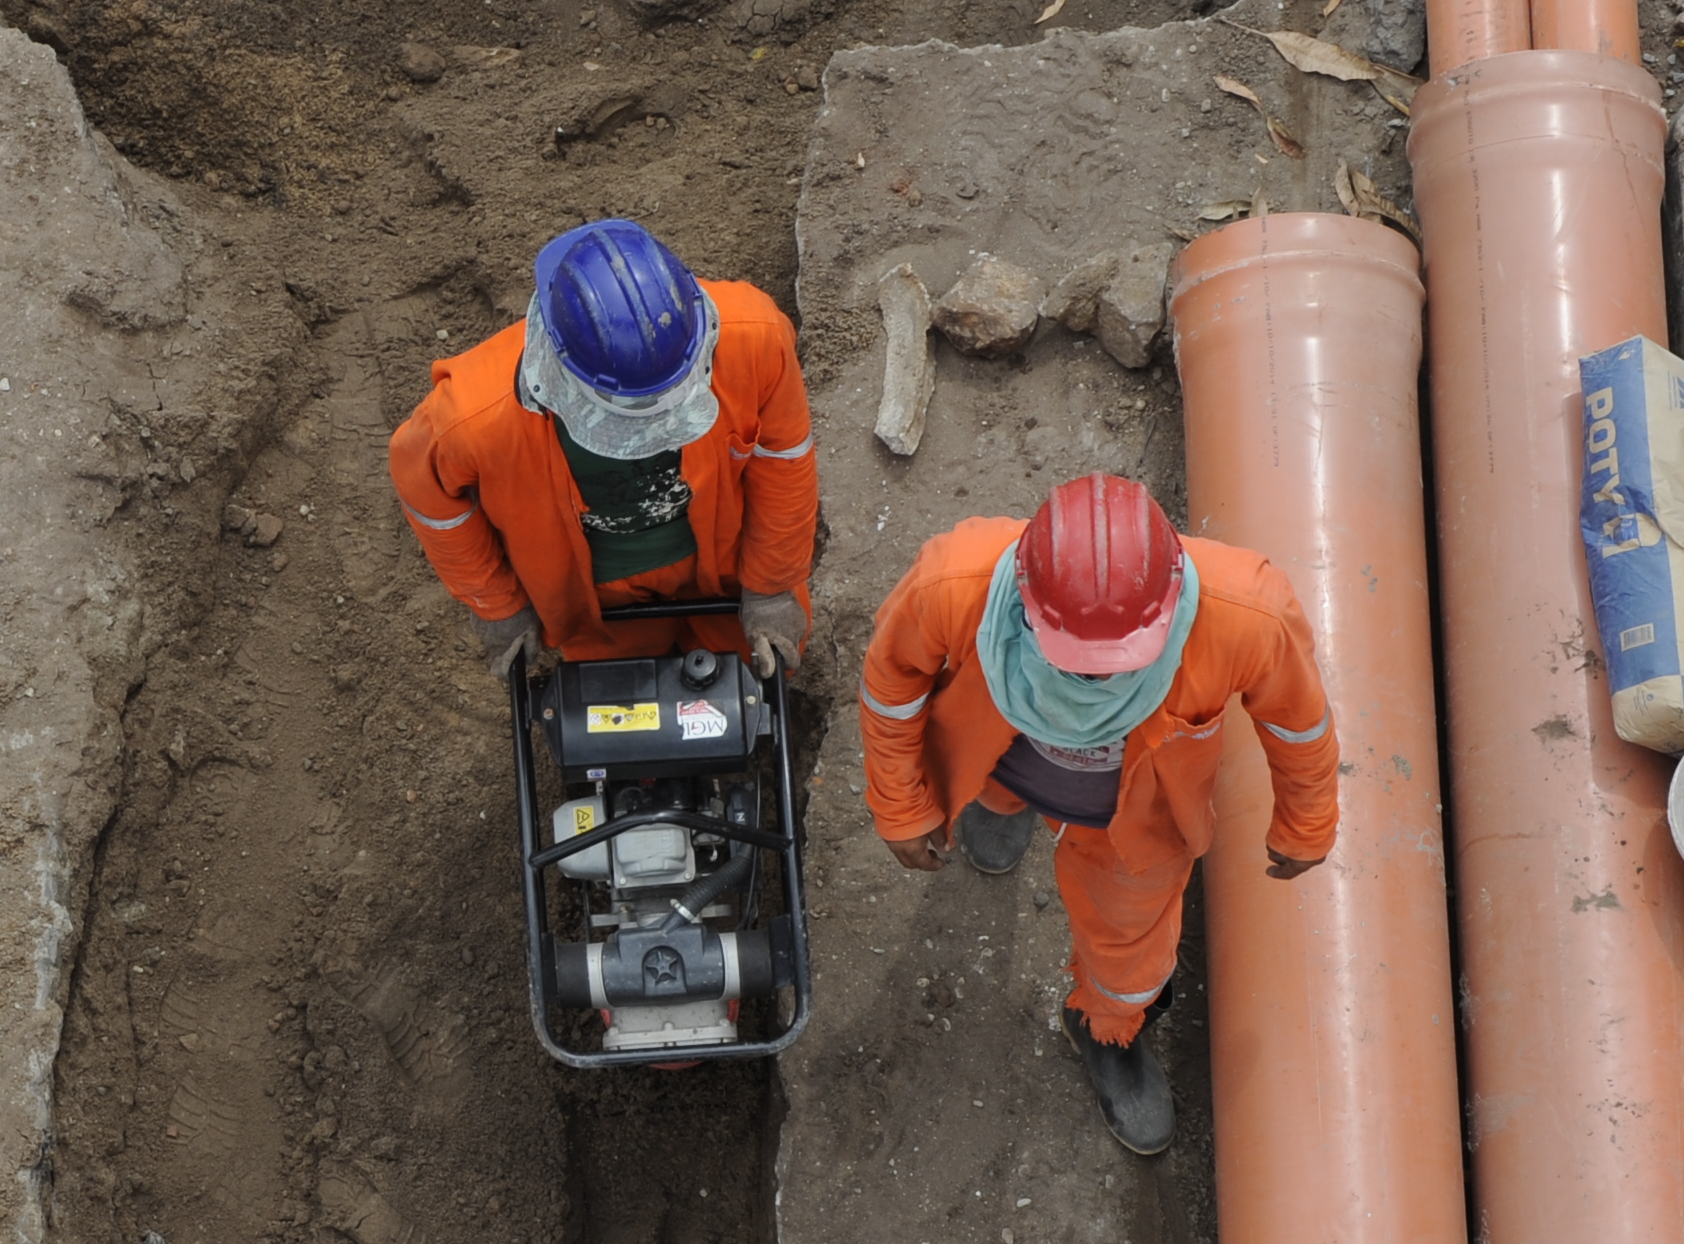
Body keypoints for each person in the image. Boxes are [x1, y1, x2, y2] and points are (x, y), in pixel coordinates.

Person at [857, 475, 1335, 1155]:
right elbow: (892, 685)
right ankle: (999, 808)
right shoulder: (950, 585)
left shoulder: (1247, 614)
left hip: (1135, 811)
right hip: (999, 757)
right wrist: (903, 804)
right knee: (990, 784)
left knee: (1131, 939)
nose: (1095, 683)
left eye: (1117, 667)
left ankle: (1108, 1025)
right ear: (1023, 596)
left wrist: (1307, 819)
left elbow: (1297, 723)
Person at [388, 219, 818, 678]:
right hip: (595, 592)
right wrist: (498, 605)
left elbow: (784, 463)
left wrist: (771, 588)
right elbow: (427, 494)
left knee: (751, 684)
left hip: (726, 560)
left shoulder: (756, 340)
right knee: (617, 691)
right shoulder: (472, 417)